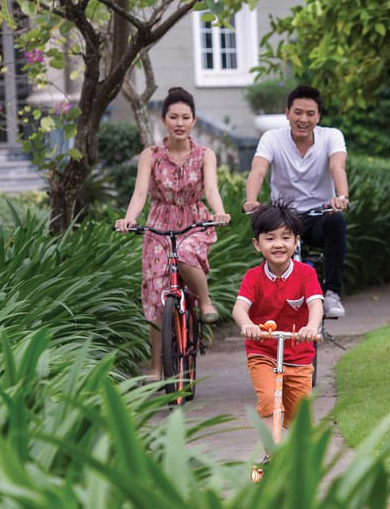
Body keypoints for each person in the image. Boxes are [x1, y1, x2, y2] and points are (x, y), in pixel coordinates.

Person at [115, 86, 230, 382]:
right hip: (159, 224)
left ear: (194, 121)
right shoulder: (150, 156)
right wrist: (129, 218)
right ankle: (156, 369)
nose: (180, 123)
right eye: (174, 117)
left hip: (194, 222)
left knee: (186, 254)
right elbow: (140, 193)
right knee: (156, 294)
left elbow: (211, 189)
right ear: (164, 119)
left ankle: (204, 301)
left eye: (185, 117)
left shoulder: (205, 155)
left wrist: (219, 212)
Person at [242, 84, 350, 318]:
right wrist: (251, 200)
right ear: (287, 113)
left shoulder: (331, 136)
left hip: (319, 215)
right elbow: (258, 171)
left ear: (318, 117)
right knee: (270, 240)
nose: (303, 119)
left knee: (336, 221)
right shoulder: (272, 138)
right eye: (298, 112)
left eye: (310, 114)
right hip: (285, 218)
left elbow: (337, 166)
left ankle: (332, 293)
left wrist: (341, 197)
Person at [232, 201, 323, 449]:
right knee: (269, 402)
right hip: (262, 352)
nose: (278, 244)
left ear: (296, 242)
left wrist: (311, 327)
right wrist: (248, 324)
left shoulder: (306, 274)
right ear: (257, 244)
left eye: (285, 237)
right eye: (270, 238)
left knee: (300, 421)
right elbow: (239, 308)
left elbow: (315, 305)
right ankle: (273, 454)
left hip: (299, 355)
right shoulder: (253, 277)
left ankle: (300, 460)